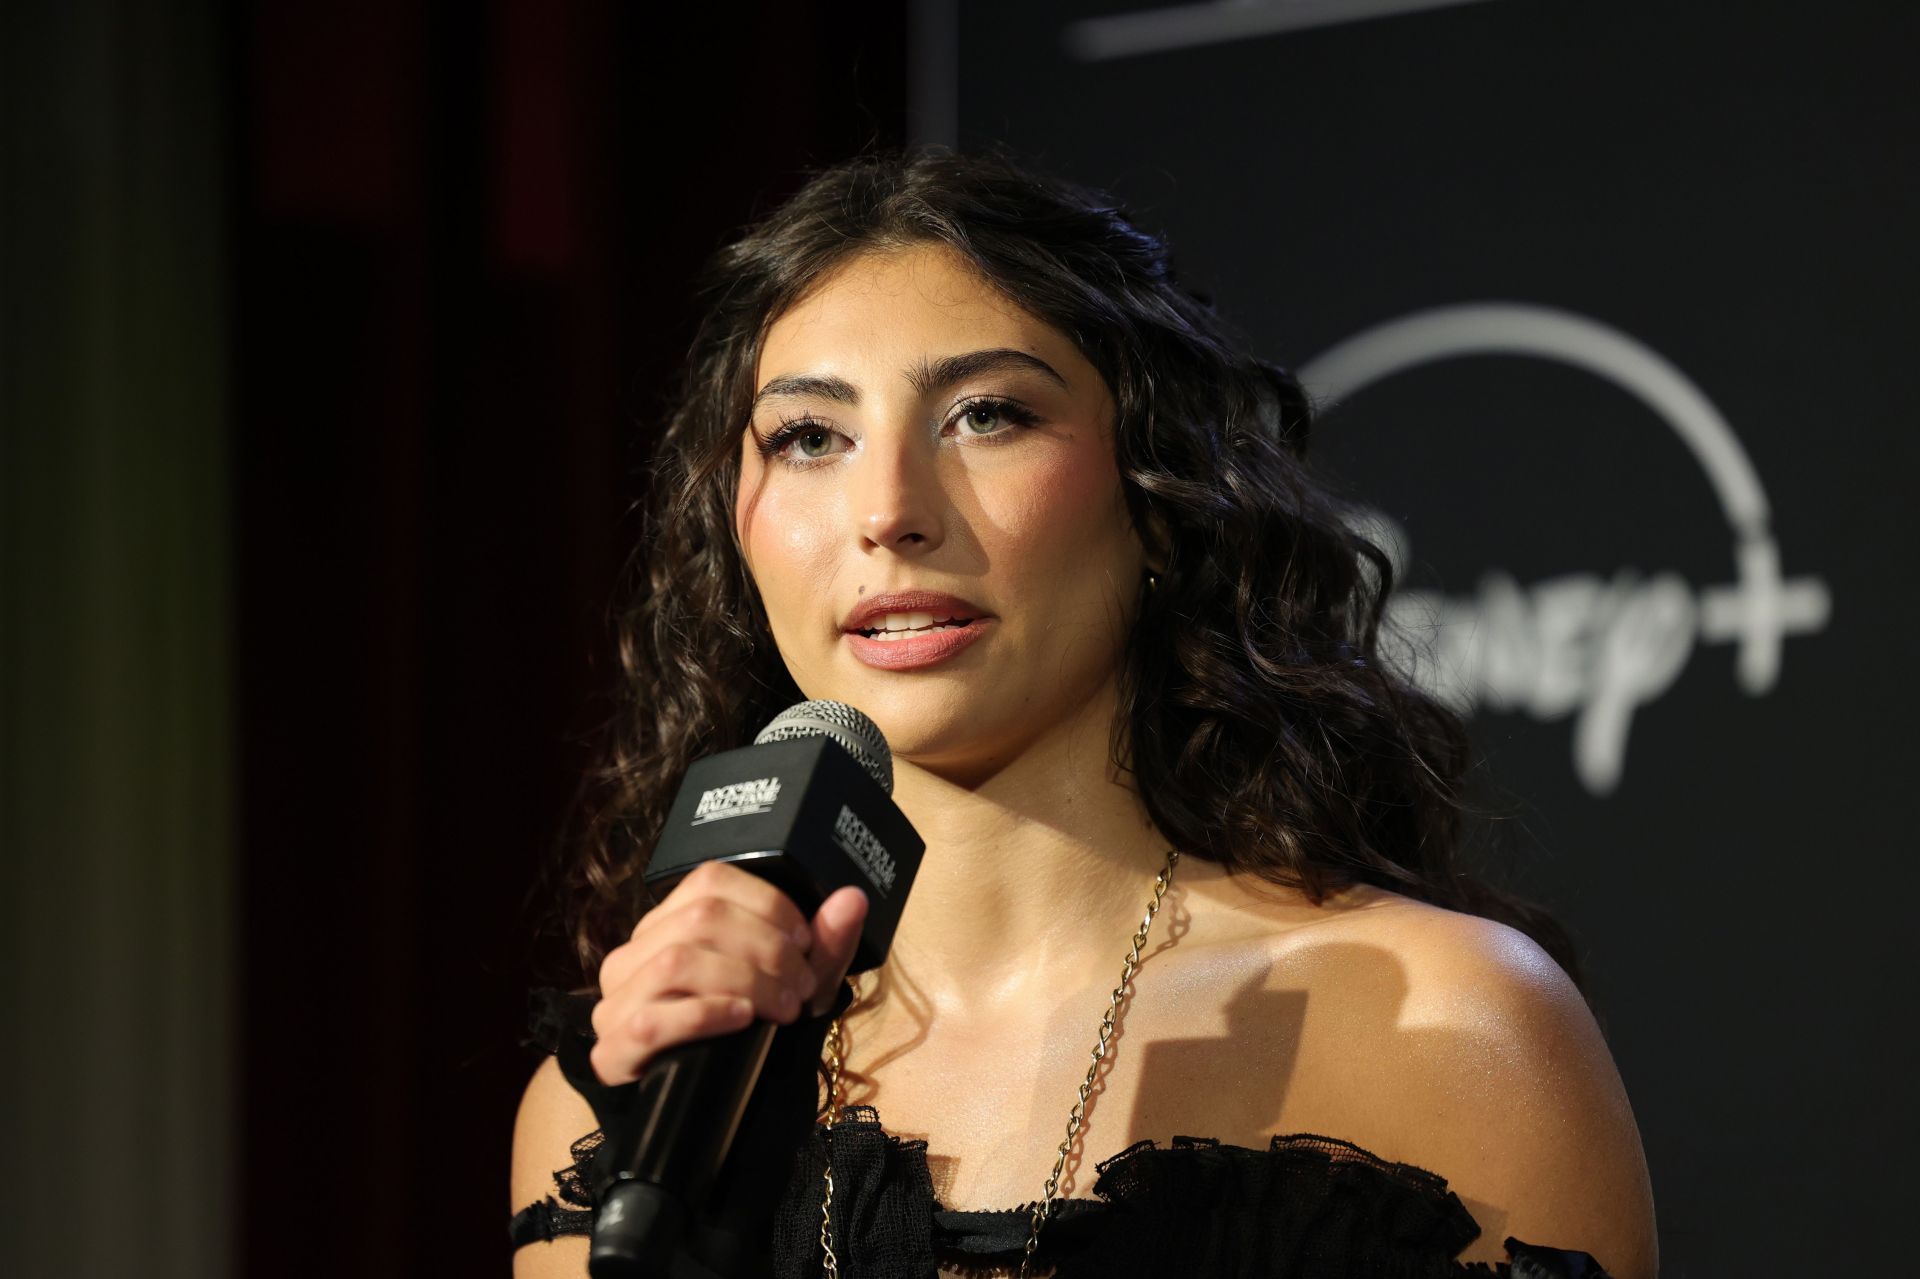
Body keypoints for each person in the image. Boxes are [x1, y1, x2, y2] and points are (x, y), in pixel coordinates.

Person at [509, 148, 1657, 1279]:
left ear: (1159, 496)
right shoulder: (629, 1110)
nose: (889, 511)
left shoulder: (1447, 1029)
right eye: (810, 437)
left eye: (986, 415)